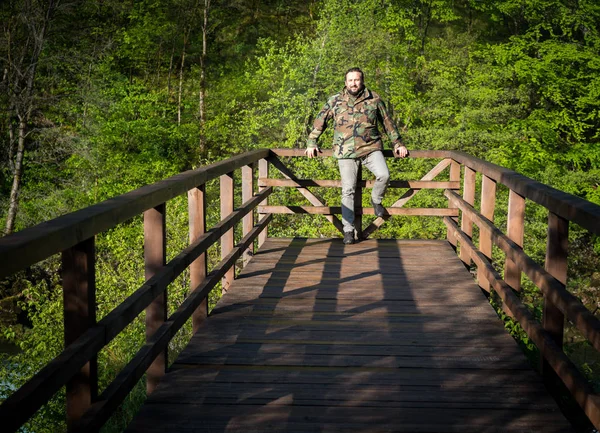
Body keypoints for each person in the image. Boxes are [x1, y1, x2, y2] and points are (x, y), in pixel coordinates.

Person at [305, 67, 408, 244]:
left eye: (357, 80)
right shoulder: (335, 100)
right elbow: (320, 121)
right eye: (350, 80)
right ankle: (348, 231)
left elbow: (387, 123)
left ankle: (376, 200)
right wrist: (311, 142)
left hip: (370, 148)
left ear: (362, 80)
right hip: (345, 152)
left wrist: (397, 144)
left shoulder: (374, 99)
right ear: (346, 82)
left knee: (384, 175)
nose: (354, 83)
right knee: (348, 190)